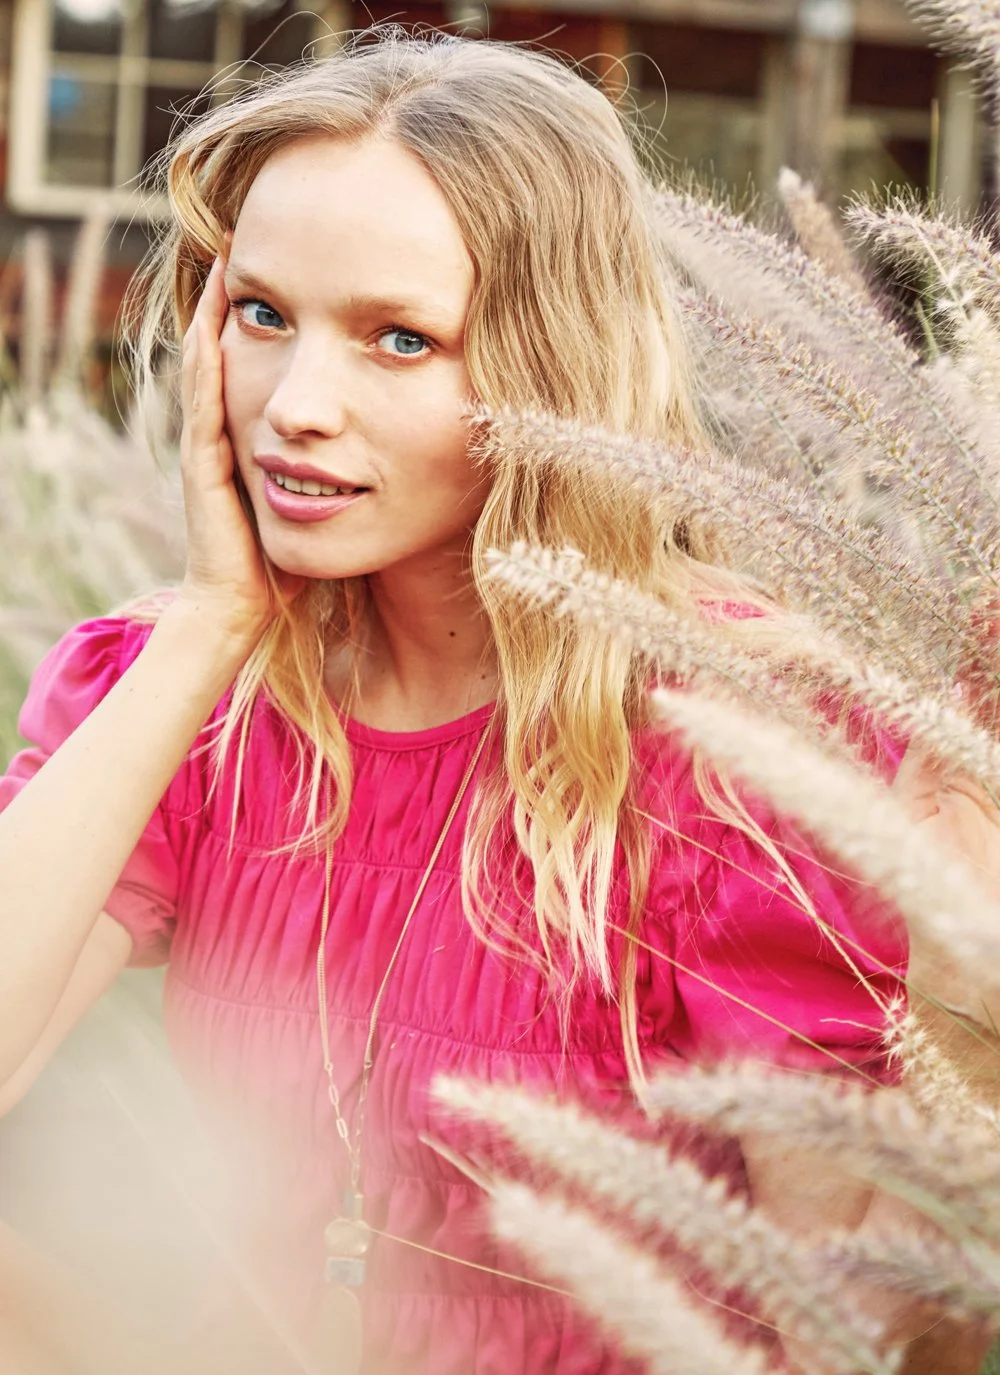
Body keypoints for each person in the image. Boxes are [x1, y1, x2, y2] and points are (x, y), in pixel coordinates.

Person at [0, 27, 968, 1375]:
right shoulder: (189, 701)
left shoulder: (737, 744)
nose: (297, 406)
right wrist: (213, 622)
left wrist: (964, 982)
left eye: (400, 339)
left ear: (549, 369)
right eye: (264, 315)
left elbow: (848, 1308)